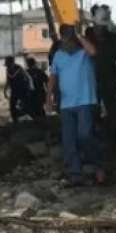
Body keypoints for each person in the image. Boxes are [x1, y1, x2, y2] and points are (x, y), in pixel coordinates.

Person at [47, 24, 103, 186]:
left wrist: (79, 35)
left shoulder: (84, 52)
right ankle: (75, 174)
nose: (66, 40)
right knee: (69, 141)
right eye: (64, 36)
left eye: (69, 36)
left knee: (84, 135)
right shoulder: (58, 55)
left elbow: (94, 52)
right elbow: (53, 77)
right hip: (66, 104)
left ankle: (98, 164)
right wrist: (48, 97)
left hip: (86, 101)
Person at [88, 12, 116, 170]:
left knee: (114, 115)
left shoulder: (114, 40)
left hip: (109, 81)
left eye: (102, 26)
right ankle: (95, 148)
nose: (99, 29)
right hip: (90, 83)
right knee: (91, 115)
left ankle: (114, 146)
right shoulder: (85, 39)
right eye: (97, 25)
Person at [4, 56, 32, 123]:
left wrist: (29, 88)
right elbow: (8, 80)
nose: (7, 66)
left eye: (8, 64)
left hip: (22, 90)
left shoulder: (19, 68)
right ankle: (15, 120)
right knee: (12, 106)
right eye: (7, 64)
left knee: (23, 105)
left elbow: (28, 78)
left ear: (12, 63)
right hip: (14, 90)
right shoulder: (7, 69)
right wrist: (5, 90)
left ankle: (26, 121)